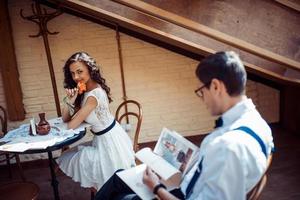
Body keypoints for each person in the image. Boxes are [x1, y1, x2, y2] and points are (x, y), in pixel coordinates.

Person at [94, 51, 274, 200]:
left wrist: (157, 188)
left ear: (216, 86)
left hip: (183, 195)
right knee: (119, 175)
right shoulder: (258, 123)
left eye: (201, 92)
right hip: (190, 184)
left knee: (119, 196)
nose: (202, 99)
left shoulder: (226, 147)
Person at [56, 52, 135, 190]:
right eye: (73, 73)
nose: (76, 77)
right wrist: (70, 100)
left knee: (71, 158)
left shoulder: (94, 95)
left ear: (90, 70)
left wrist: (72, 105)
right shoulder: (85, 89)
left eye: (80, 72)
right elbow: (66, 118)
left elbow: (70, 125)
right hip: (101, 139)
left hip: (110, 142)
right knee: (68, 155)